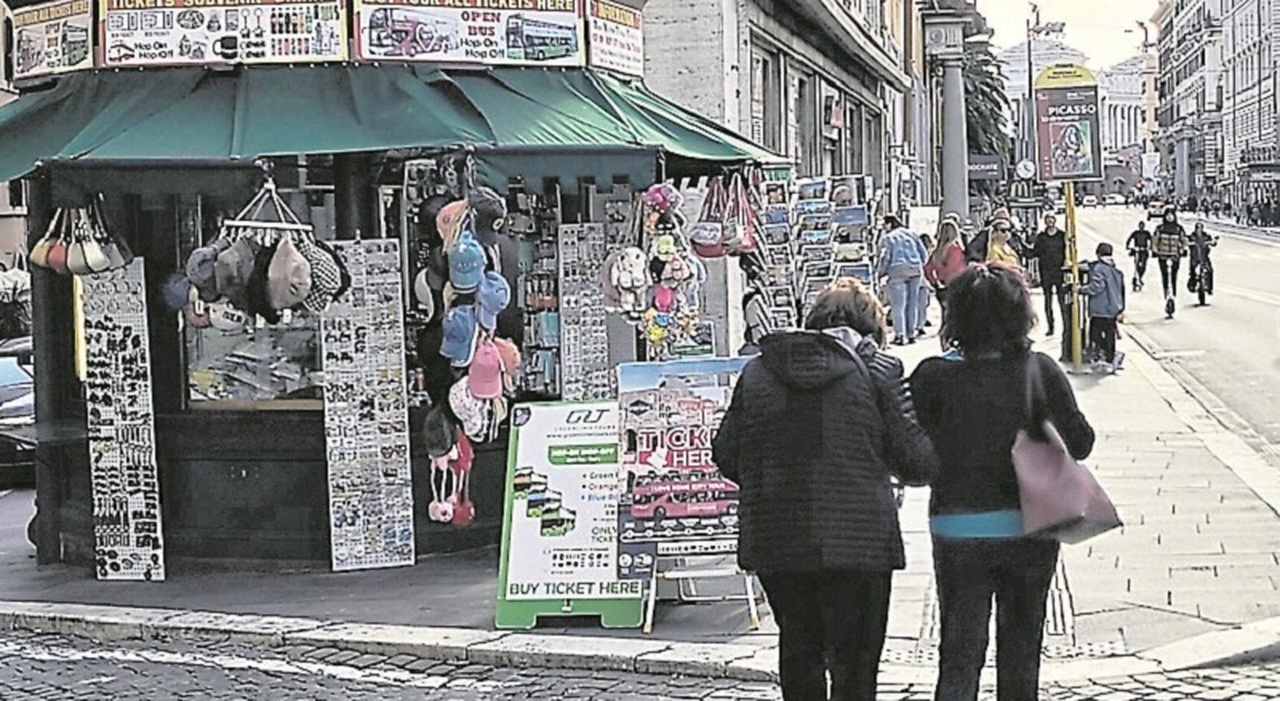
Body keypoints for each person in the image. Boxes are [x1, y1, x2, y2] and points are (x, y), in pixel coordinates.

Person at [712, 279, 939, 701]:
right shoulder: (877, 371)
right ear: (871, 326)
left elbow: (726, 452)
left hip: (778, 540)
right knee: (855, 666)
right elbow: (917, 462)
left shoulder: (759, 371)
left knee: (799, 651)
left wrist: (774, 484)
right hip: (859, 543)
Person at [909, 263, 1096, 701]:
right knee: (1021, 651)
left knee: (959, 650)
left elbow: (912, 454)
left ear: (955, 317)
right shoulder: (1041, 370)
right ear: (1020, 314)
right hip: (1030, 527)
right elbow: (1082, 442)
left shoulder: (932, 376)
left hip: (959, 529)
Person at [876, 213, 929, 345]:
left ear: (889, 224)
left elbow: (885, 258)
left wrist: (880, 273)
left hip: (897, 271)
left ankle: (900, 335)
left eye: (884, 225)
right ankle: (911, 334)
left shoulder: (888, 239)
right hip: (915, 270)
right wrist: (919, 265)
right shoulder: (912, 234)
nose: (884, 228)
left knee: (898, 305)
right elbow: (924, 254)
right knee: (912, 303)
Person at [1080, 243, 1127, 373]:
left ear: (1098, 253)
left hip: (1100, 308)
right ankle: (1110, 358)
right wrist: (1121, 307)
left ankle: (1108, 355)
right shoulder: (1116, 270)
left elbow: (1096, 287)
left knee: (1095, 334)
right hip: (1113, 308)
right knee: (1110, 334)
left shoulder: (1099, 268)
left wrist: (1079, 289)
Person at [1031, 214, 1068, 336]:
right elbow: (1034, 252)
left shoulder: (1062, 236)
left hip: (1059, 271)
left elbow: (1067, 251)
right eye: (1048, 220)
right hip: (1046, 272)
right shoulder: (1041, 237)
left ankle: (1066, 326)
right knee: (1048, 301)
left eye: (1052, 219)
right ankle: (1050, 327)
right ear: (1045, 222)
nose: (1050, 222)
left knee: (1061, 301)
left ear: (1055, 221)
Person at [1152, 208, 1189, 314]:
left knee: (1173, 276)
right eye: (1167, 215)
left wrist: (1183, 250)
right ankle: (1166, 294)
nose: (1169, 217)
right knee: (1164, 275)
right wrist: (1155, 251)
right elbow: (1155, 240)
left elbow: (1184, 240)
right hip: (1163, 255)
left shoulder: (1178, 229)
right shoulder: (1160, 228)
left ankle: (1173, 295)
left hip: (1175, 255)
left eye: (1171, 215)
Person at [1187, 222, 1217, 297]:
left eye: (1200, 228)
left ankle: (1210, 288)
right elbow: (1185, 242)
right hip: (1195, 258)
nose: (1199, 229)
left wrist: (1213, 242)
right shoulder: (1191, 236)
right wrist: (1188, 243)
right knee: (1192, 271)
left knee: (1210, 271)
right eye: (1197, 228)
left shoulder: (1206, 236)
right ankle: (1192, 285)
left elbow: (1212, 242)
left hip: (1204, 257)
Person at [1125, 220, 1152, 292]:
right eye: (1140, 226)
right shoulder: (1135, 233)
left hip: (1144, 251)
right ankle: (1136, 278)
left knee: (1143, 265)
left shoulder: (1147, 233)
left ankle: (1140, 277)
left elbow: (1151, 240)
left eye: (1142, 226)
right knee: (1137, 264)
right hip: (1137, 250)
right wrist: (1128, 246)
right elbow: (1129, 239)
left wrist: (1150, 247)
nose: (1141, 227)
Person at [918, 233, 935, 333]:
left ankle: (918, 323)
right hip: (924, 281)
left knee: (916, 303)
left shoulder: (916, 252)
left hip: (917, 279)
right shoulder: (927, 255)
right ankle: (921, 323)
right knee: (923, 304)